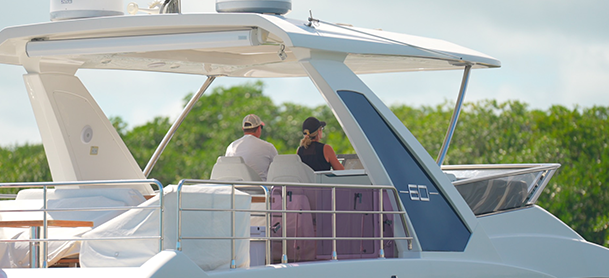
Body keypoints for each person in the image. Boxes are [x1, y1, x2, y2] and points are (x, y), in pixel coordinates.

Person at [225, 114, 278, 181]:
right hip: (260, 190)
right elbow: (277, 169)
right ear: (259, 128)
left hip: (235, 189)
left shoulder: (231, 147)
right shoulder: (268, 147)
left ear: (243, 129)